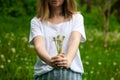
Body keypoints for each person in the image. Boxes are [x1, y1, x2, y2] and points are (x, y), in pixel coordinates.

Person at [29, 0, 86, 80]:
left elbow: (75, 40)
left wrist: (68, 60)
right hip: (45, 74)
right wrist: (50, 61)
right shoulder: (36, 22)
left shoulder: (76, 18)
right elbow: (39, 45)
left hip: (71, 73)